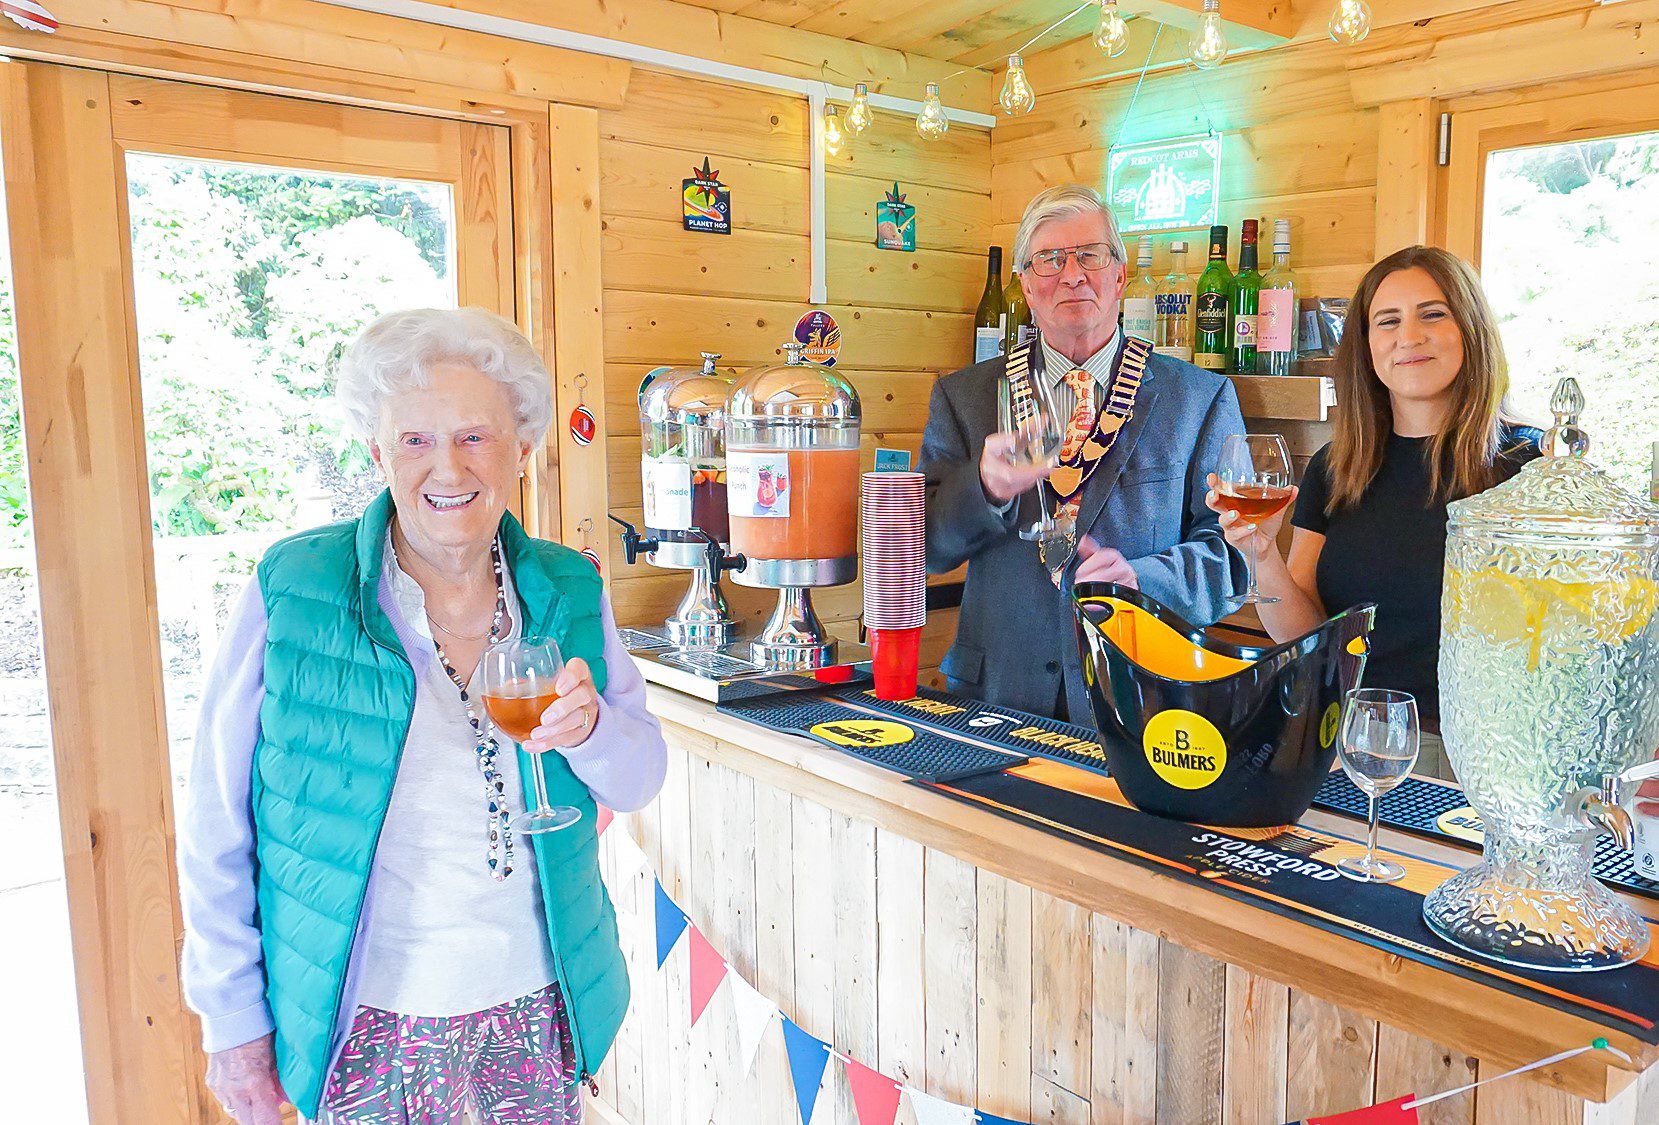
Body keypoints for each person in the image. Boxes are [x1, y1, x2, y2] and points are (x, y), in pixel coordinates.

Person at [176, 307, 668, 1124]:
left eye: (476, 435)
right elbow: (215, 823)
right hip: (366, 1021)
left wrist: (591, 732)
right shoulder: (295, 588)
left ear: (521, 447)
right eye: (415, 440)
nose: (447, 465)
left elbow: (641, 775)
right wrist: (233, 1021)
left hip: (538, 1009)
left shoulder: (568, 586)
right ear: (378, 453)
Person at [1204, 246, 1540, 776]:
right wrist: (1261, 556)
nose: (1409, 337)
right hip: (1359, 743)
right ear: (1366, 346)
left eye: (1433, 314)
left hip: (1491, 750)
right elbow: (1304, 635)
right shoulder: (1335, 468)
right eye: (1388, 322)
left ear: (1471, 329)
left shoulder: (1527, 466)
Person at [920, 184, 1246, 720]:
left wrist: (1145, 580)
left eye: (1089, 255)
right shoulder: (965, 398)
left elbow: (1234, 557)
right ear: (1025, 285)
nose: (1072, 274)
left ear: (1119, 275)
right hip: (996, 694)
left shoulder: (1200, 399)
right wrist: (986, 489)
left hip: (1144, 699)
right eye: (1048, 260)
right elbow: (921, 551)